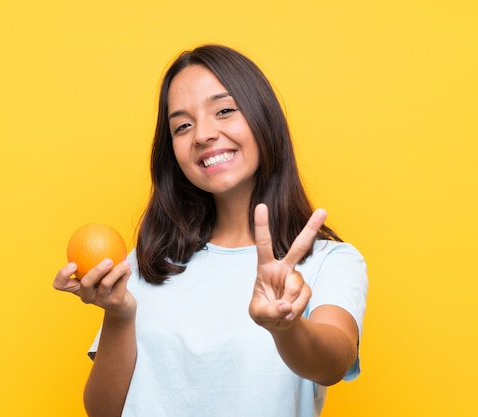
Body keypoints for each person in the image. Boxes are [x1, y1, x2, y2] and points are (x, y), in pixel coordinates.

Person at [53, 44, 368, 417]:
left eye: (224, 110)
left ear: (263, 118)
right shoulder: (149, 261)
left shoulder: (331, 261)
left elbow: (333, 363)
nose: (202, 135)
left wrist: (286, 327)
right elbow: (103, 412)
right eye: (182, 126)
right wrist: (120, 314)